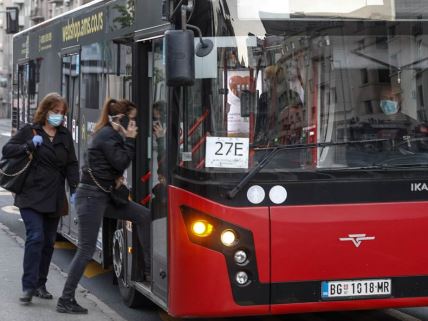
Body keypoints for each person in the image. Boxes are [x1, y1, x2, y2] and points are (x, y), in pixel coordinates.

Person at [56, 98, 151, 314]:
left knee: (143, 216)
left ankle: (147, 269)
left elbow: (105, 164)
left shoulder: (109, 133)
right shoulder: (109, 135)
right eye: (131, 119)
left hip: (103, 196)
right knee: (86, 249)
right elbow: (120, 161)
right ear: (120, 119)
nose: (134, 124)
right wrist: (130, 140)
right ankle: (66, 298)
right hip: (91, 198)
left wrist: (115, 177)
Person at [1, 93, 79, 304]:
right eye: (55, 112)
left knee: (48, 243)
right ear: (45, 111)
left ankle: (40, 284)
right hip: (30, 195)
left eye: (62, 113)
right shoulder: (31, 130)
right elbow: (6, 150)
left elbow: (71, 163)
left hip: (54, 197)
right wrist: (28, 146)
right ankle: (28, 286)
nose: (59, 116)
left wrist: (74, 189)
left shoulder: (64, 135)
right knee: (35, 237)